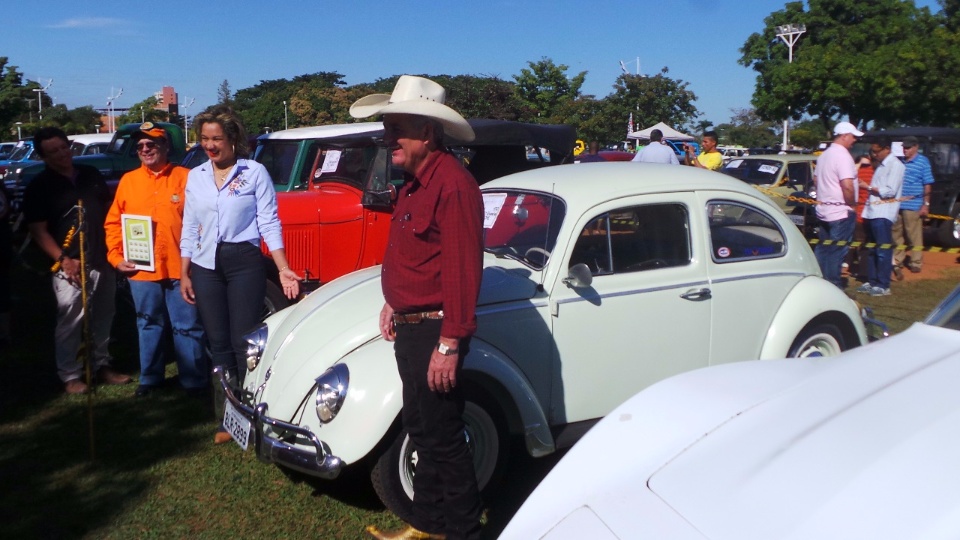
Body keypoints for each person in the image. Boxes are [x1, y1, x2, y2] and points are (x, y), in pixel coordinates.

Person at [352, 76, 484, 540]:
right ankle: (426, 526)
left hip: (435, 331)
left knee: (444, 438)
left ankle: (465, 533)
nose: (389, 140)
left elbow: (464, 271)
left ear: (427, 133)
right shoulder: (413, 183)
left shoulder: (454, 185)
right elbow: (416, 257)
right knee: (422, 428)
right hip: (410, 327)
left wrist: (450, 342)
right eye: (387, 129)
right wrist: (394, 301)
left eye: (397, 130)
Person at [179, 106, 301, 443]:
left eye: (217, 138)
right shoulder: (196, 176)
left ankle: (254, 410)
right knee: (217, 343)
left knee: (243, 341)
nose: (210, 145)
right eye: (205, 139)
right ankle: (228, 418)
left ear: (233, 139)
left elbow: (269, 222)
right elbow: (190, 224)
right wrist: (185, 270)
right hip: (205, 265)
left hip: (243, 260)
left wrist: (283, 268)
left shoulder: (254, 173)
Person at [21, 127, 131, 394]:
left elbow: (108, 213)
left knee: (104, 315)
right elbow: (38, 230)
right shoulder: (39, 187)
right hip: (69, 263)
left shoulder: (90, 175)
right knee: (71, 318)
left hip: (101, 257)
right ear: (43, 157)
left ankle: (101, 363)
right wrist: (63, 260)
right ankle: (70, 374)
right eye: (53, 152)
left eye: (63, 147)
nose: (62, 155)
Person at [104, 123, 207, 398]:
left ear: (165, 147)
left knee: (187, 326)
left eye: (151, 144)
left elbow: (204, 221)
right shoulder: (129, 181)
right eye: (140, 146)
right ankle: (150, 378)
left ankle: (194, 381)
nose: (145, 149)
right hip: (142, 270)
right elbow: (114, 223)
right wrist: (116, 257)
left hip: (181, 268)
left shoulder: (187, 177)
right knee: (148, 323)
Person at [814, 121, 862, 288]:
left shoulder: (824, 155)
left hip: (824, 208)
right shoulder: (843, 156)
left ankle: (820, 281)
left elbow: (816, 180)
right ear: (844, 136)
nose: (854, 140)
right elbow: (847, 184)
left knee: (823, 248)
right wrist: (852, 204)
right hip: (841, 211)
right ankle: (833, 285)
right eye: (853, 137)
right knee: (837, 250)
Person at [856, 137, 904, 297]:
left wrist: (867, 186)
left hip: (883, 213)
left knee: (883, 250)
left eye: (876, 151)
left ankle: (883, 284)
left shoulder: (896, 165)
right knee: (871, 249)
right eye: (872, 152)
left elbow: (889, 191)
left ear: (886, 149)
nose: (874, 154)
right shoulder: (880, 166)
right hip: (871, 212)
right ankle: (872, 281)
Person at [892, 135, 934, 279]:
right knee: (896, 234)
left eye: (908, 148)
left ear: (916, 147)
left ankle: (916, 262)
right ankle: (898, 260)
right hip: (898, 204)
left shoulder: (923, 162)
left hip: (914, 204)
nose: (905, 150)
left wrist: (925, 205)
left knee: (913, 234)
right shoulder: (900, 161)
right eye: (904, 147)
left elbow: (927, 184)